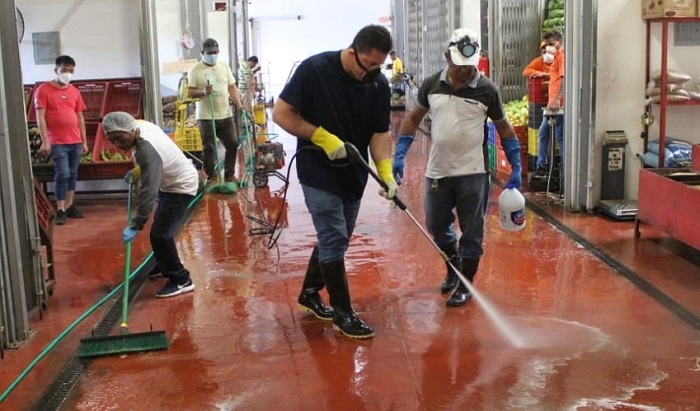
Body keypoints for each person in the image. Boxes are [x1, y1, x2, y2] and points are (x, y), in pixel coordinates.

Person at [272, 24, 396, 339]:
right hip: (318, 168)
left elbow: (380, 132)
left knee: (338, 238)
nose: (371, 73)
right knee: (333, 237)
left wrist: (385, 170)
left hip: (353, 172)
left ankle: (310, 292)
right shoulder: (314, 70)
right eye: (366, 65)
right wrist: (321, 136)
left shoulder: (378, 85)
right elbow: (282, 113)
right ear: (352, 50)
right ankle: (343, 313)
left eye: (378, 67)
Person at [392, 28, 522, 307]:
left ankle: (465, 285)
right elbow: (413, 118)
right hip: (438, 170)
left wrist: (516, 164)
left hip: (473, 173)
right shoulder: (431, 84)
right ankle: (453, 267)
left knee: (472, 230)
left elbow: (504, 128)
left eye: (470, 66)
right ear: (446, 57)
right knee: (437, 225)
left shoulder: (487, 89)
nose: (465, 72)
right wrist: (400, 153)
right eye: (459, 66)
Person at [102, 111, 199, 298]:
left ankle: (181, 279)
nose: (117, 144)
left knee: (161, 235)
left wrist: (137, 224)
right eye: (112, 140)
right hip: (171, 181)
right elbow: (157, 159)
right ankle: (164, 265)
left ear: (129, 130)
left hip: (180, 187)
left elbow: (149, 191)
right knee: (160, 229)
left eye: (119, 138)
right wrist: (139, 171)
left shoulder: (145, 150)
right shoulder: (139, 125)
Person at [35, 55, 89, 225]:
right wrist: (45, 141)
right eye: (64, 70)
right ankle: (60, 209)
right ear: (56, 70)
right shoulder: (43, 90)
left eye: (71, 71)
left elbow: (80, 117)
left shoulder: (74, 91)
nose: (68, 74)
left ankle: (69, 205)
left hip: (75, 141)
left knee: (73, 173)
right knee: (63, 173)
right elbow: (40, 118)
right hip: (57, 141)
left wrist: (84, 141)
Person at [187, 38, 245, 185]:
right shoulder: (195, 70)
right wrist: (203, 91)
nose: (213, 55)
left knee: (232, 143)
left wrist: (239, 105)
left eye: (215, 52)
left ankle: (229, 175)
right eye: (209, 53)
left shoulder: (224, 67)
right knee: (209, 147)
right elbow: (191, 93)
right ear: (202, 53)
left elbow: (232, 87)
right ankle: (211, 177)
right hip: (206, 116)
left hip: (225, 114)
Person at [534, 30, 565, 179]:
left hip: (558, 106)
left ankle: (564, 169)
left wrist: (558, 98)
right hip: (551, 105)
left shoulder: (562, 57)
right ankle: (542, 165)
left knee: (560, 136)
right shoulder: (556, 57)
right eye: (548, 45)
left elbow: (564, 79)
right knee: (543, 133)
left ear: (559, 42)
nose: (549, 48)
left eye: (552, 44)